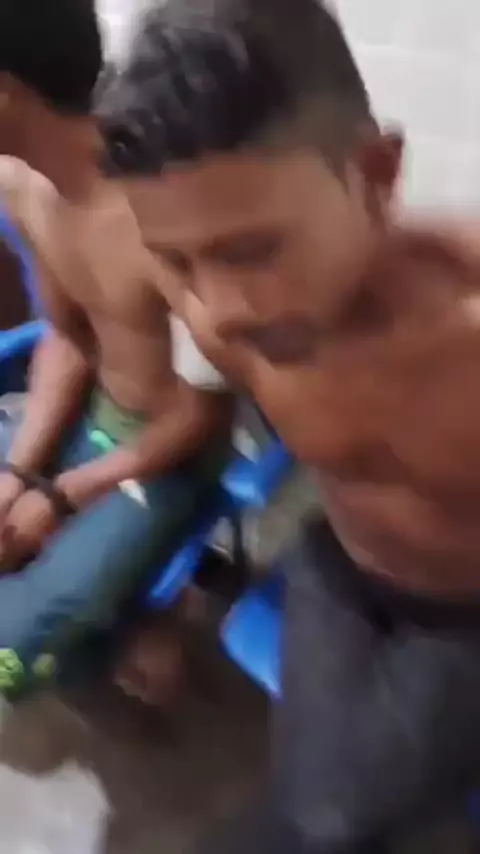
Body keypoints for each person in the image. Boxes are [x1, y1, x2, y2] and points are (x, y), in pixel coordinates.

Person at [97, 0, 480, 849]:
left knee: (328, 816)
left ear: (376, 174)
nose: (216, 311)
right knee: (323, 809)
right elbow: (198, 419)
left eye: (252, 251)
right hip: (337, 562)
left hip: (467, 612)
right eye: (177, 261)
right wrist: (151, 600)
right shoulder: (233, 315)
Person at [0, 0, 232, 704]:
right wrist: (18, 472)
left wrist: (62, 495)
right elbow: (68, 339)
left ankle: (136, 619)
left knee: (6, 649)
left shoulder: (165, 218)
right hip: (83, 413)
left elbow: (203, 413)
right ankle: (114, 625)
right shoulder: (20, 186)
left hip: (166, 452)